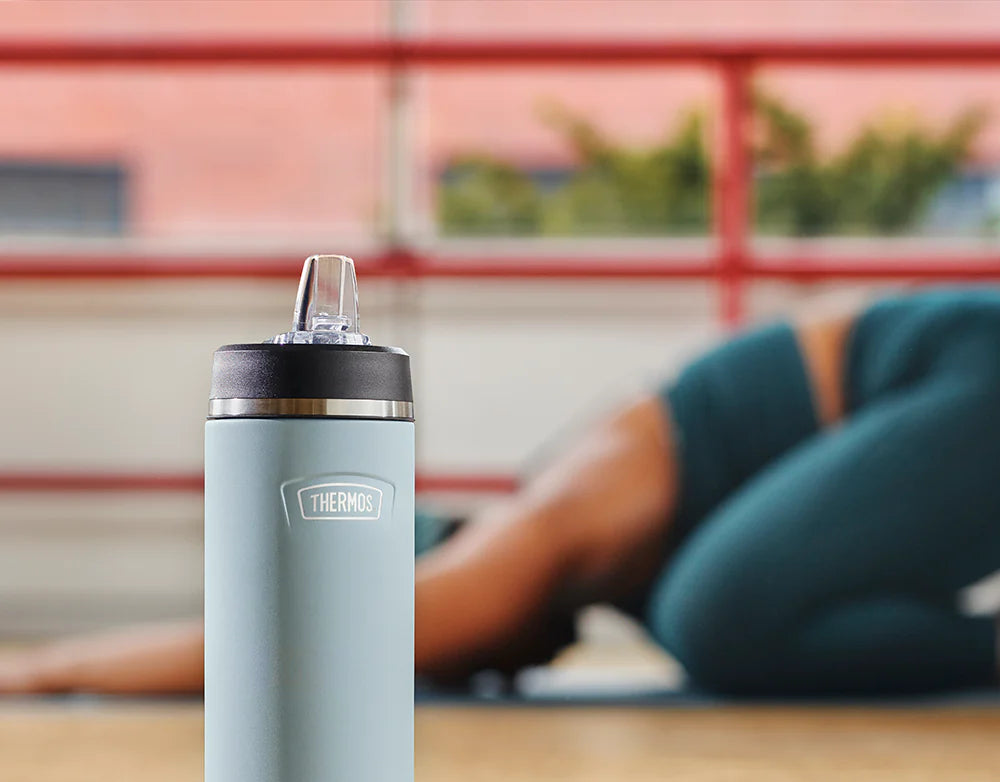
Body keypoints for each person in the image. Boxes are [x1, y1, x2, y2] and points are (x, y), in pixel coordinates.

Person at [3, 286, 1000, 697]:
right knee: (713, 621)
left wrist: (51, 666)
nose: (500, 663)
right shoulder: (599, 554)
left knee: (719, 619)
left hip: (967, 371)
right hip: (924, 406)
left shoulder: (537, 534)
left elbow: (303, 646)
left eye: (464, 649)